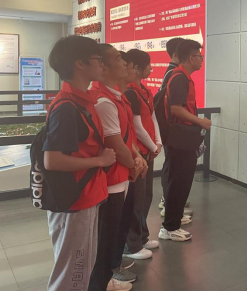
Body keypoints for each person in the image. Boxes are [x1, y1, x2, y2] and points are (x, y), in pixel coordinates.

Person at [44, 36, 116, 292]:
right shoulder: (67, 108)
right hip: (75, 201)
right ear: (80, 64)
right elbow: (52, 160)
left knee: (81, 268)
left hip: (86, 196)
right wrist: (100, 160)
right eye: (98, 59)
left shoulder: (82, 101)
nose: (102, 65)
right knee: (72, 274)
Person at [89, 45, 147, 292]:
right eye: (118, 58)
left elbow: (126, 135)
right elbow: (114, 143)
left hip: (122, 174)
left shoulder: (118, 97)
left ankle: (108, 274)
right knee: (104, 238)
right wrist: (134, 164)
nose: (124, 62)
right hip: (111, 179)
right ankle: (101, 281)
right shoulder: (103, 101)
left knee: (114, 232)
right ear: (102, 66)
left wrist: (137, 157)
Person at [159, 39, 211, 242]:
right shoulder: (179, 78)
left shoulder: (183, 77)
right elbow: (176, 109)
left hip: (184, 138)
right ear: (191, 58)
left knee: (182, 182)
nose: (201, 60)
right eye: (199, 56)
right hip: (180, 138)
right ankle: (170, 227)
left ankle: (174, 222)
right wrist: (200, 121)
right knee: (178, 182)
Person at [122, 50, 172, 262]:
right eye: (148, 65)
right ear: (136, 68)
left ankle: (141, 237)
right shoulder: (130, 93)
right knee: (135, 199)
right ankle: (131, 244)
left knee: (146, 196)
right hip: (138, 152)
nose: (151, 68)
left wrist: (157, 143)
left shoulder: (144, 91)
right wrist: (153, 146)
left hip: (148, 151)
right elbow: (136, 126)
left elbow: (152, 118)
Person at [158, 37, 193, 217]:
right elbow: (174, 107)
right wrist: (199, 121)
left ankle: (171, 203)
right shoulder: (176, 75)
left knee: (172, 166)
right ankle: (169, 204)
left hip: (172, 131)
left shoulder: (173, 73)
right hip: (174, 131)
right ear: (176, 54)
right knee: (173, 168)